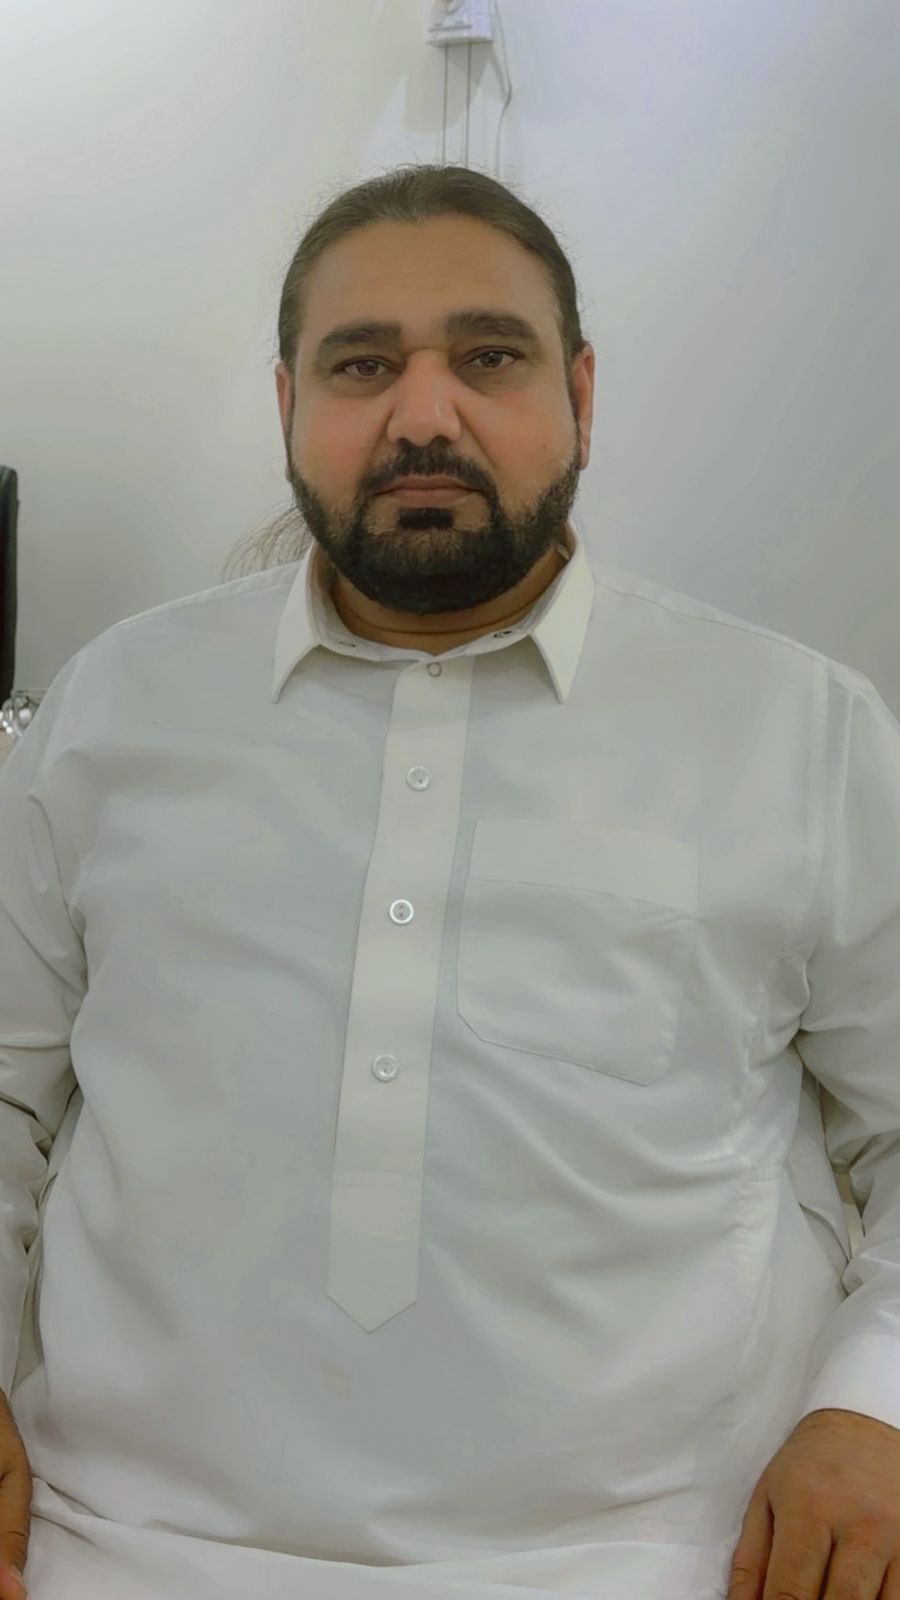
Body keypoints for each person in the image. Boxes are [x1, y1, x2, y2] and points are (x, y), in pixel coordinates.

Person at [0, 163, 898, 1600]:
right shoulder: (113, 709)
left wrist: (874, 1409)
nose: (425, 415)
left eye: (489, 357)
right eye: (363, 365)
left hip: (669, 1555)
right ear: (287, 405)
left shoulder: (800, 730)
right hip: (118, 1545)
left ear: (581, 394)